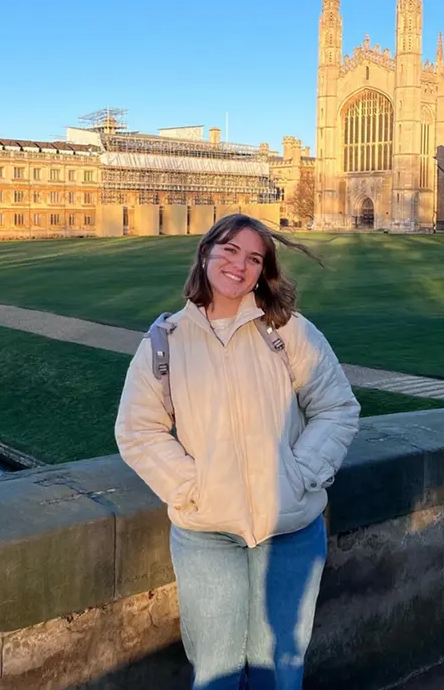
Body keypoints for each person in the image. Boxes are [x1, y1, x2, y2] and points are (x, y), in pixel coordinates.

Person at [115, 214, 360, 689]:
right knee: (216, 675)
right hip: (208, 536)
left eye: (253, 258)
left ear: (262, 270)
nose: (239, 265)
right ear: (206, 252)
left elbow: (337, 408)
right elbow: (137, 430)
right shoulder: (165, 342)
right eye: (230, 250)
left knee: (281, 671)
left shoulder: (288, 331)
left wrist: (298, 473)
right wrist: (193, 487)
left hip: (289, 529)